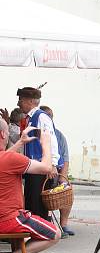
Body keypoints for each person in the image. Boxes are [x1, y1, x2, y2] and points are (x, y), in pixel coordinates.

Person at [0, 121, 62, 253]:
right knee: (55, 234)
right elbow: (47, 168)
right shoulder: (10, 158)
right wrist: (46, 144)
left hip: (5, 219)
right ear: (3, 135)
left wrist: (21, 142)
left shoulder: (6, 158)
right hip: (9, 220)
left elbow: (4, 159)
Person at [16, 87, 60, 219]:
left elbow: (51, 140)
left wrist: (52, 163)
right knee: (30, 203)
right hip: (33, 168)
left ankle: (42, 232)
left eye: (21, 100)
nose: (19, 103)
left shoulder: (41, 117)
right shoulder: (30, 118)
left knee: (37, 205)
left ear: (30, 101)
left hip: (40, 168)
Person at [40, 106, 75, 236]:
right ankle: (46, 221)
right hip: (42, 172)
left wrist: (63, 177)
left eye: (50, 116)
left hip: (56, 172)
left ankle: (64, 224)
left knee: (67, 189)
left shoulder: (59, 136)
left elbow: (65, 158)